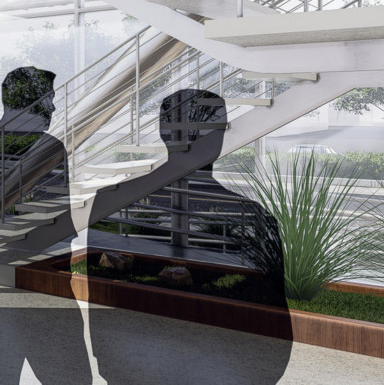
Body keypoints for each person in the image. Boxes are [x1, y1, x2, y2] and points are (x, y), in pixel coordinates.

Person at [87, 88, 292, 384]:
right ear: (221, 137)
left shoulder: (110, 202)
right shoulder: (253, 217)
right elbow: (273, 328)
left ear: (163, 133)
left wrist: (110, 364)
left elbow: (100, 302)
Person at [0, 67, 91, 385]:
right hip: (43, 285)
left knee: (0, 374)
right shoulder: (49, 151)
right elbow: (57, 223)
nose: (54, 108)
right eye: (51, 100)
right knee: (71, 376)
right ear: (36, 102)